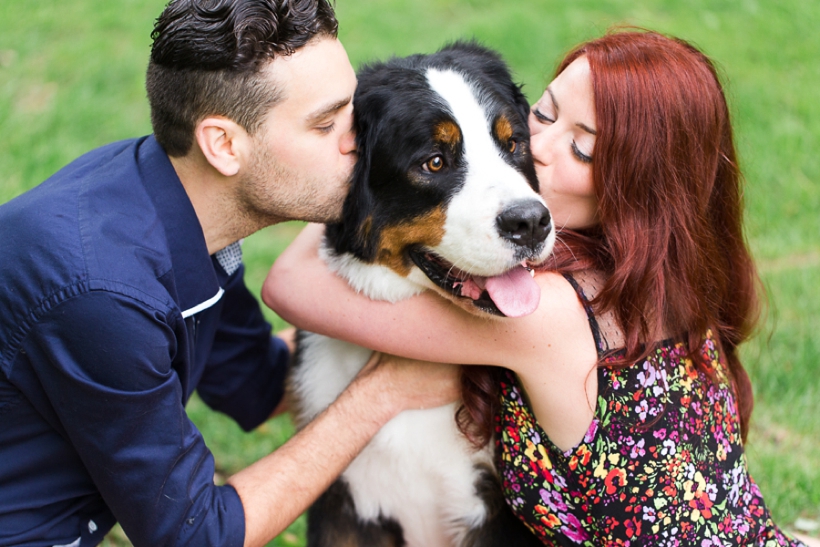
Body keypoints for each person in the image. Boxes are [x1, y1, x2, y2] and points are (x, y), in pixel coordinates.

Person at [264, 30, 820, 546]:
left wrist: (350, 172)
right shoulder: (653, 280)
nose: (538, 151)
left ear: (638, 188)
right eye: (542, 115)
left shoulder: (548, 317)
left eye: (583, 149)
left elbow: (290, 283)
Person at [0, 1, 460, 546]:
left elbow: (255, 384)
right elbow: (196, 536)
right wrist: (382, 393)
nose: (361, 139)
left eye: (352, 111)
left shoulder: (177, 209)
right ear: (223, 145)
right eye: (326, 123)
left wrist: (422, 328)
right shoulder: (104, 291)